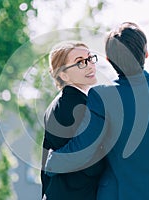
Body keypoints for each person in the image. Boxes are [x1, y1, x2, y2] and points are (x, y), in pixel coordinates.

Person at [45, 22, 149, 200]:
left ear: (110, 61)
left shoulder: (102, 96)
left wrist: (51, 161)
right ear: (146, 52)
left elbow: (84, 149)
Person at [41, 41, 107, 200]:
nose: (90, 65)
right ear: (63, 74)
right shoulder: (79, 107)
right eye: (80, 62)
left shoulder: (55, 105)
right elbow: (91, 164)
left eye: (90, 58)